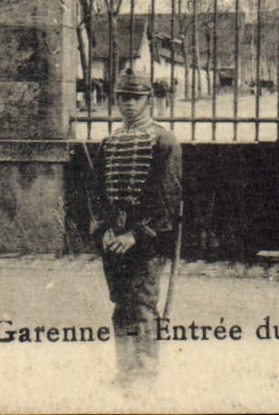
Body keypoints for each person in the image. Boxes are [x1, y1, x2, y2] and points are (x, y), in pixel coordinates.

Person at [87, 61, 182, 384]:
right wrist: (104, 230)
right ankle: (125, 369)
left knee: (142, 304)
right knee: (120, 305)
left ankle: (145, 373)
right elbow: (97, 194)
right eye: (123, 97)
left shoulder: (164, 141)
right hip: (113, 237)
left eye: (135, 97)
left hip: (146, 240)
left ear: (148, 100)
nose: (128, 103)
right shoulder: (109, 143)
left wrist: (136, 234)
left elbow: (167, 199)